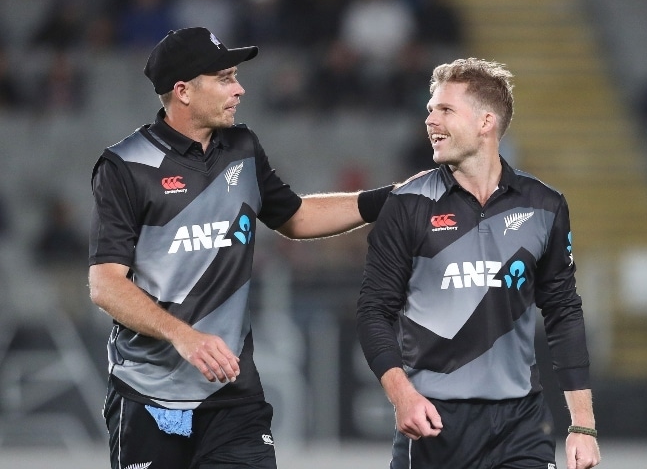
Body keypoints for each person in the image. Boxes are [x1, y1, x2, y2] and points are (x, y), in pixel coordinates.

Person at [87, 27, 395, 469]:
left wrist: (389, 200)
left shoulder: (242, 147)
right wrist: (183, 335)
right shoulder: (125, 166)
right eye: (226, 78)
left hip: (233, 398)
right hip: (150, 398)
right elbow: (106, 286)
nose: (240, 88)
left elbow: (294, 216)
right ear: (183, 92)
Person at [357, 58, 601, 469]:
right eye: (430, 108)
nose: (430, 118)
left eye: (445, 109)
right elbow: (372, 311)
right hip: (434, 424)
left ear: (486, 122)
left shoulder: (544, 206)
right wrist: (403, 397)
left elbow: (563, 312)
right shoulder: (407, 205)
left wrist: (583, 425)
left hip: (520, 425)